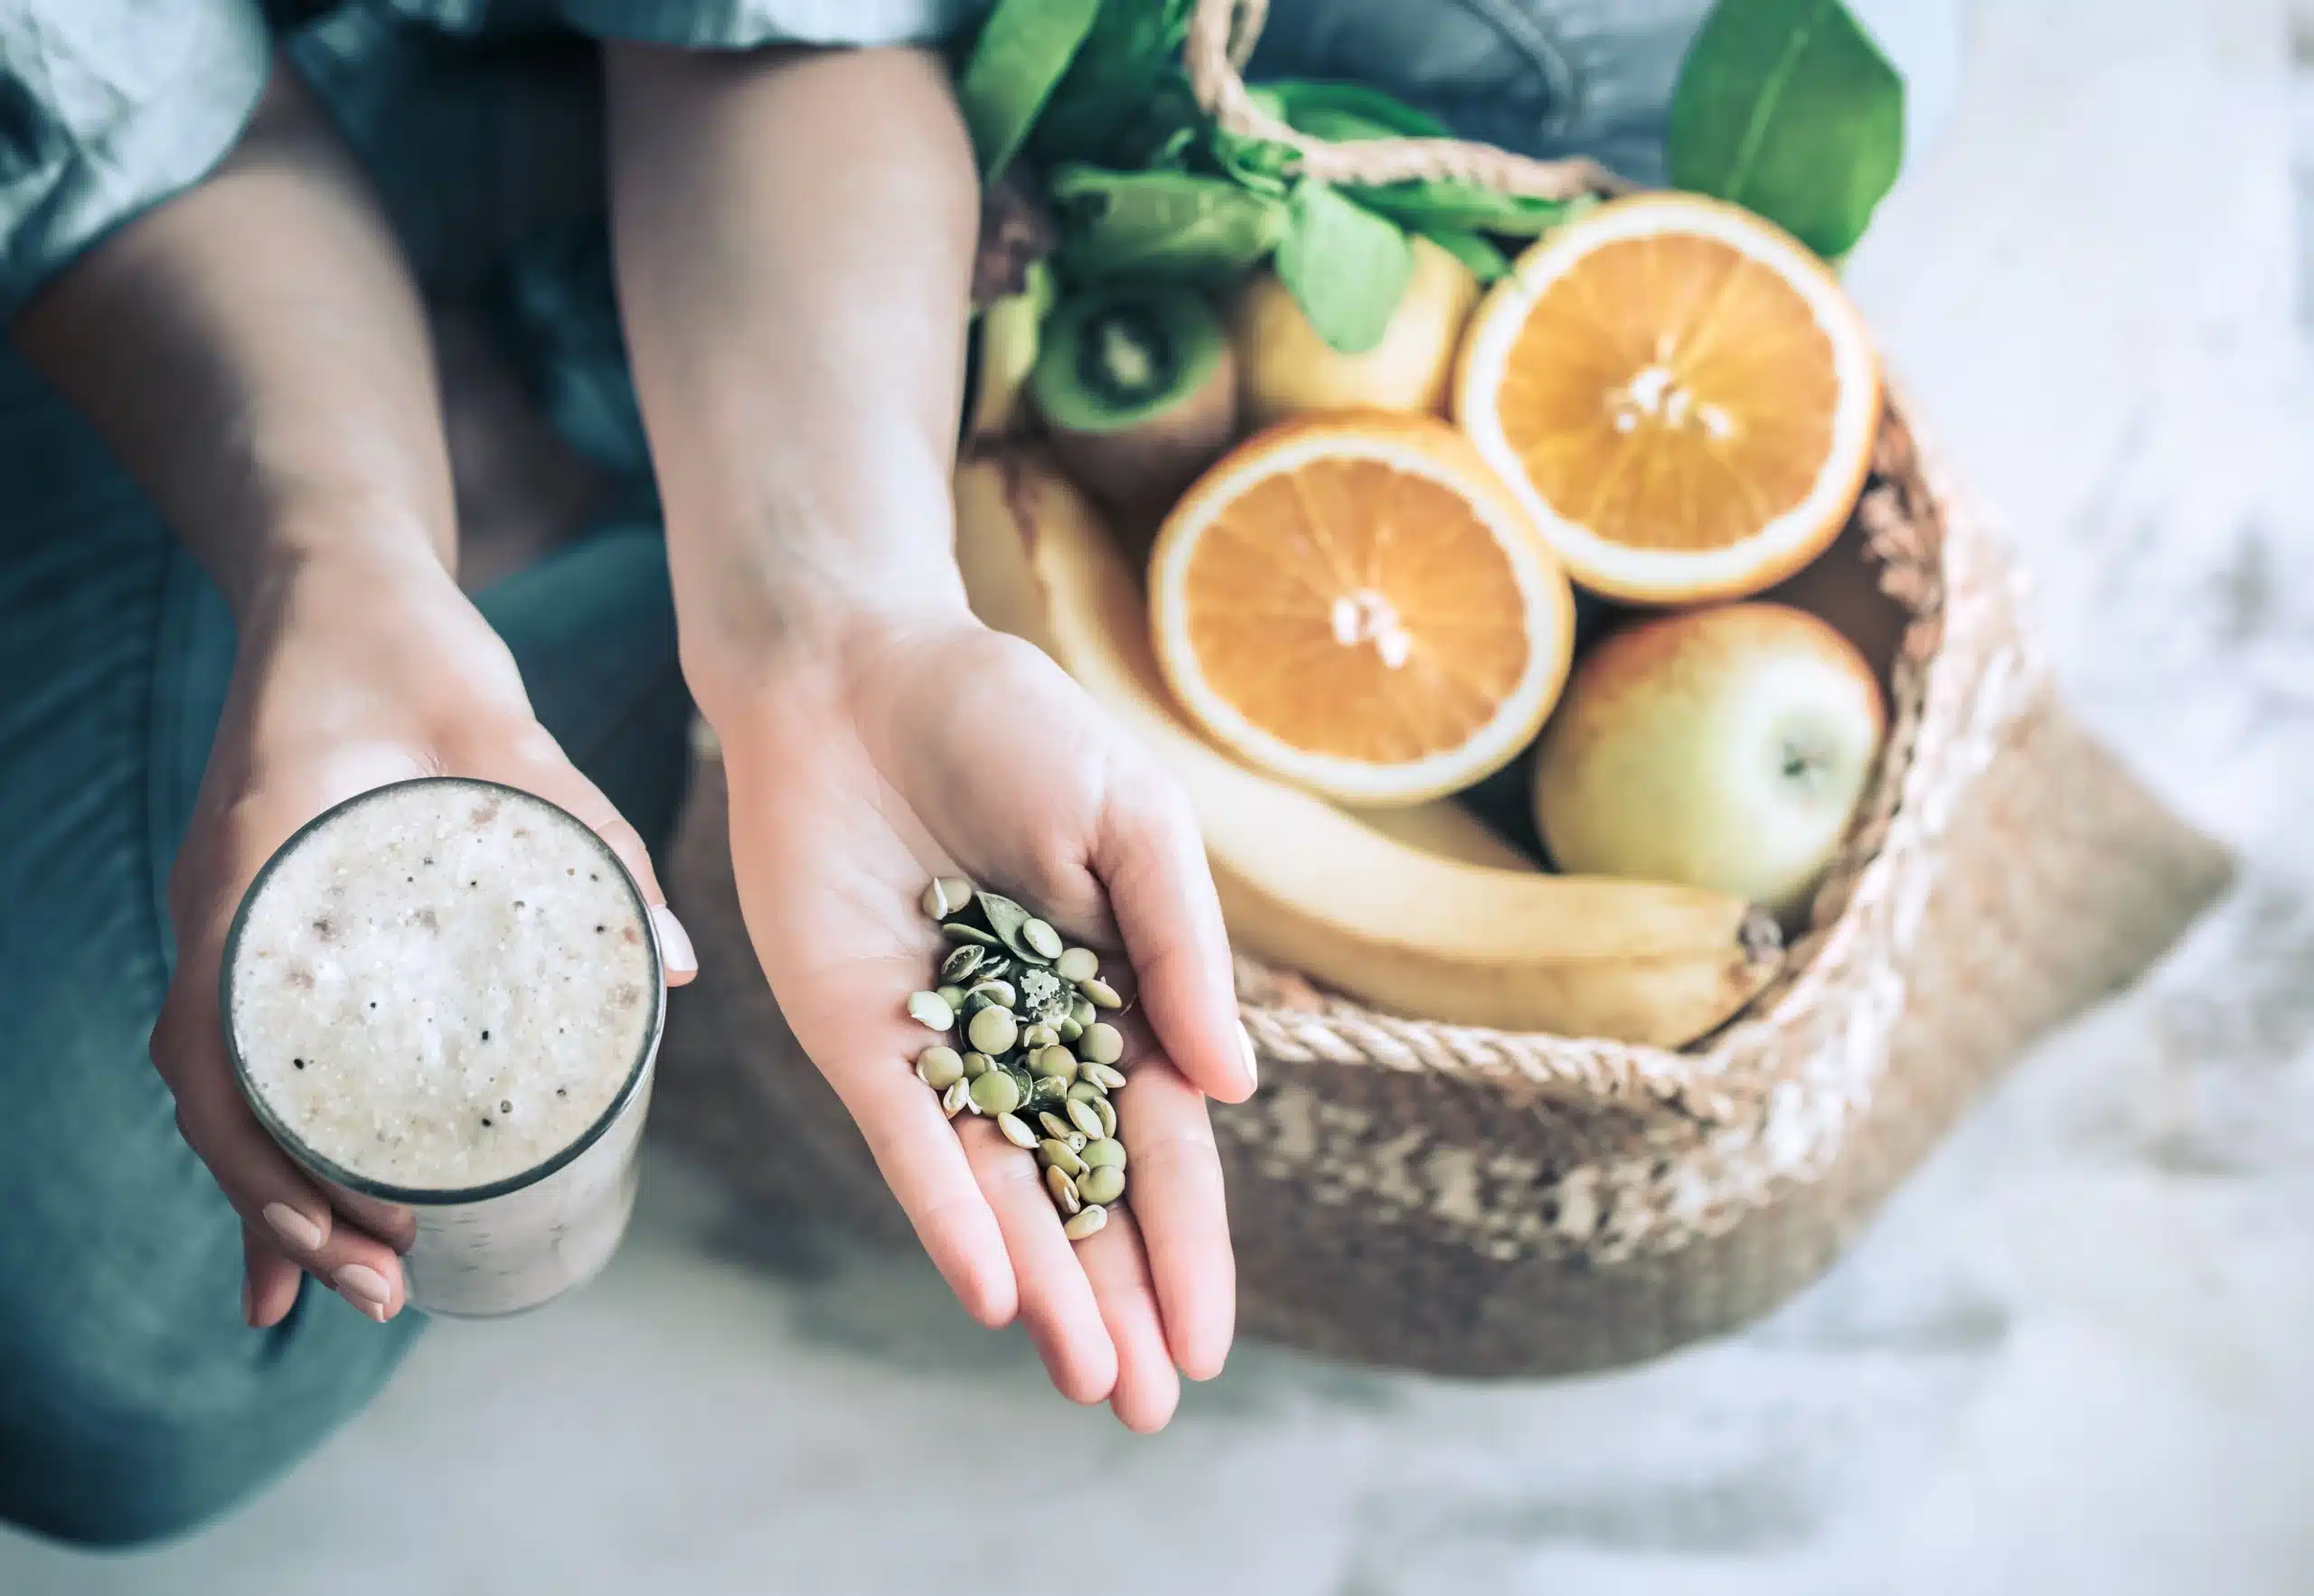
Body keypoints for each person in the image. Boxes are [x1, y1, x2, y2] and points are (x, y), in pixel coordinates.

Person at [0, 0, 1958, 1550]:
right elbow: (128, 131)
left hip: (802, 108)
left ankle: (647, 452)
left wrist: (834, 616)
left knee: (1773, 39)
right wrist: (330, 559)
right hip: (253, 199)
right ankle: (519, 452)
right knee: (103, 1376)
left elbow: (769, 21)